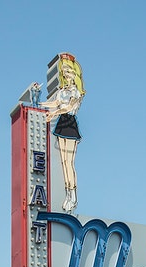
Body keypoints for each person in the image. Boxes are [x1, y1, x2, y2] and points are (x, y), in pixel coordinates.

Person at [41, 52, 85, 213]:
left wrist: (53, 113)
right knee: (63, 163)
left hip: (70, 124)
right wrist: (39, 103)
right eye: (65, 71)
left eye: (70, 71)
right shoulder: (62, 91)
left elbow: (67, 107)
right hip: (61, 124)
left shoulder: (76, 92)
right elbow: (55, 104)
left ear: (76, 74)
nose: (68, 74)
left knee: (69, 163)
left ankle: (72, 195)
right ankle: (67, 194)